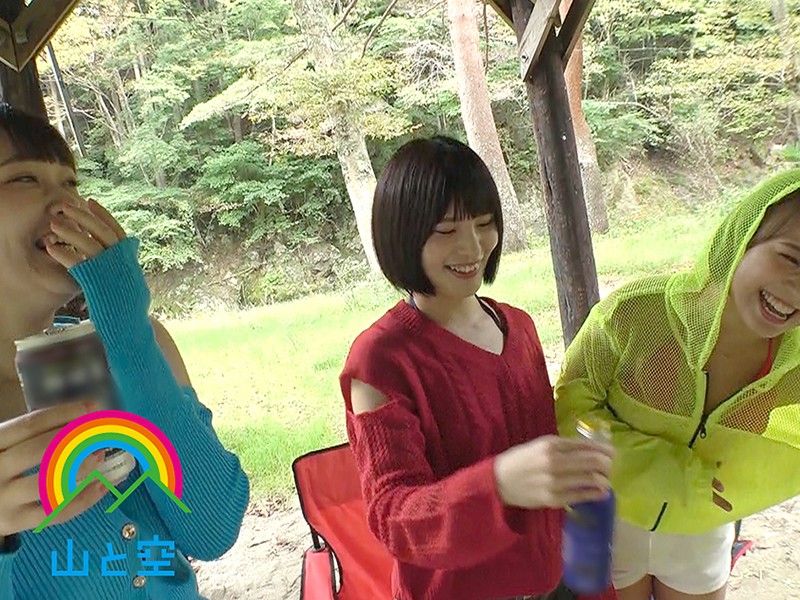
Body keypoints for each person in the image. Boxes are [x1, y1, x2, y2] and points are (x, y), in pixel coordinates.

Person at [339, 136, 616, 600]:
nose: (472, 246)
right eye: (446, 230)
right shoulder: (380, 359)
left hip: (558, 574)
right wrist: (499, 485)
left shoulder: (519, 327)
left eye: (485, 224)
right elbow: (393, 518)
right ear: (402, 235)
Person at [0, 104, 250, 599]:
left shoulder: (136, 341)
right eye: (24, 178)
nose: (65, 203)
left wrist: (129, 334)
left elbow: (213, 530)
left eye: (71, 183)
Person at [555, 169, 800, 600]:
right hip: (608, 520)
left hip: (701, 538)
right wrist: (677, 476)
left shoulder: (793, 369)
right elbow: (568, 409)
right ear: (741, 240)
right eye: (793, 259)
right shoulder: (634, 314)